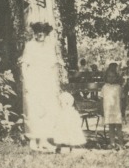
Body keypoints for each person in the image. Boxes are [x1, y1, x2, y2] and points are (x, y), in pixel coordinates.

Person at [22, 22, 86, 151]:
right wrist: (27, 81)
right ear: (34, 33)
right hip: (34, 80)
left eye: (43, 31)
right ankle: (33, 140)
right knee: (34, 110)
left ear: (46, 33)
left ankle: (44, 140)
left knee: (47, 110)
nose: (40, 34)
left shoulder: (49, 46)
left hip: (46, 81)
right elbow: (24, 65)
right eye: (38, 31)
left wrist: (54, 83)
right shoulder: (30, 46)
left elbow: (53, 65)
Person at [101, 62, 125, 144]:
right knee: (111, 127)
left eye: (113, 77)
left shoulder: (118, 87)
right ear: (106, 77)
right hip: (109, 110)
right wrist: (102, 110)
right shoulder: (104, 87)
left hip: (117, 110)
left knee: (119, 127)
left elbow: (122, 99)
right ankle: (112, 143)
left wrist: (122, 110)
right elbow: (102, 99)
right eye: (109, 76)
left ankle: (121, 144)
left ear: (116, 77)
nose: (111, 78)